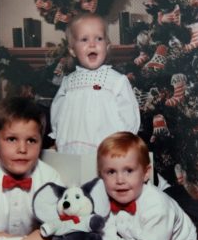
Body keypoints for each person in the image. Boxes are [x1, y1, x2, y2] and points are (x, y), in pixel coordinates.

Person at [0, 97, 63, 240]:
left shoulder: (51, 178)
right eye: (12, 139)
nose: (22, 149)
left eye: (31, 140)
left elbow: (69, 232)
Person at [97, 131, 197, 240]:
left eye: (129, 170)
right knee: (173, 193)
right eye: (111, 172)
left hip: (192, 223)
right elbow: (101, 237)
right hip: (166, 203)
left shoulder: (157, 207)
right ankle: (174, 190)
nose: (119, 180)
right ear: (101, 175)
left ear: (146, 173)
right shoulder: (107, 197)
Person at [49, 13, 140, 154]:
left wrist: (125, 142)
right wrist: (57, 135)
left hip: (106, 151)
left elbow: (129, 114)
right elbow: (57, 111)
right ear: (72, 50)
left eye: (99, 38)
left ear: (107, 46)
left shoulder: (116, 81)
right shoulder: (68, 82)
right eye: (84, 39)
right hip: (70, 149)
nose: (92, 44)